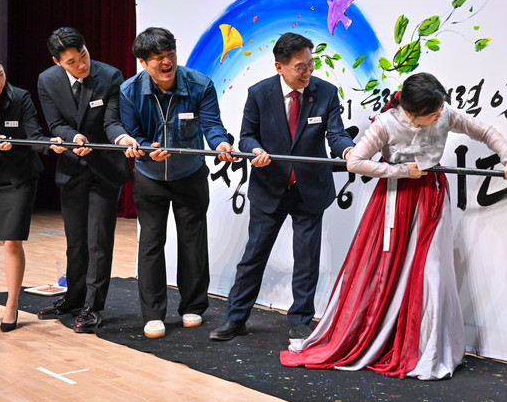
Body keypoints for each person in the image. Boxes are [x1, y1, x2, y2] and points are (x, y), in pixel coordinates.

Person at [279, 72, 507, 380]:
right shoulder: (386, 123)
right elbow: (355, 162)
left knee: (433, 273)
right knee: (384, 271)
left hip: (431, 198)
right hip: (393, 202)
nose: (440, 115)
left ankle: (428, 350)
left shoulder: (444, 113)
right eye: (433, 112)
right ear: (411, 112)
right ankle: (388, 339)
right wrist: (400, 171)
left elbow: (484, 131)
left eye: (441, 108)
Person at [210, 32, 355, 342]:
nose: (308, 72)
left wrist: (348, 151)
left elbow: (336, 134)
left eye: (311, 64)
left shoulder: (326, 93)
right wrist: (255, 150)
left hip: (309, 189)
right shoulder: (259, 93)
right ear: (280, 67)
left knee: (307, 258)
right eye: (301, 67)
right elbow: (247, 136)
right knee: (254, 256)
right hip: (270, 186)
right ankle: (235, 318)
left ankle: (301, 320)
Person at [119, 27, 235, 339]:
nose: (167, 62)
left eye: (170, 54)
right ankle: (153, 314)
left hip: (190, 176)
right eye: (158, 58)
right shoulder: (129, 90)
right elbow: (133, 134)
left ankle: (193, 306)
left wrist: (220, 144)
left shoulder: (200, 84)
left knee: (193, 241)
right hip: (149, 177)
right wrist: (146, 148)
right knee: (151, 243)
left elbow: (212, 125)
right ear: (143, 62)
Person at [36, 27, 139, 333]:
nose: (82, 64)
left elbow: (111, 121)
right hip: (72, 167)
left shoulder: (110, 76)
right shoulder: (47, 80)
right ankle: (73, 298)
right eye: (72, 61)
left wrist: (120, 138)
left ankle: (93, 306)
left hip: (104, 167)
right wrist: (73, 137)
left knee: (99, 241)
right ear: (57, 62)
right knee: (76, 241)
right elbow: (55, 123)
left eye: (83, 55)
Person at [0, 49, 66, 332]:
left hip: (20, 177)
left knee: (13, 242)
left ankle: (12, 304)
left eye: (1, 75)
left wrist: (49, 145)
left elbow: (33, 134)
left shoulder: (20, 97)